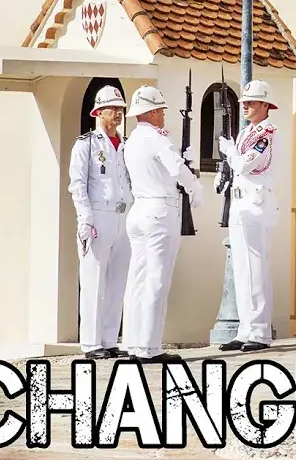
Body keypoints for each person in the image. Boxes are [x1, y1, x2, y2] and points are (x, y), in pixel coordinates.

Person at [121, 85, 203, 363]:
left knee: (137, 281)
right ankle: (150, 348)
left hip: (139, 209)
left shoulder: (131, 140)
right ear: (153, 112)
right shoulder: (156, 139)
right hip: (159, 210)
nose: (164, 116)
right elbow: (176, 169)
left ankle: (133, 344)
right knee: (157, 280)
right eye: (162, 110)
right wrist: (194, 186)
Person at [67, 85, 133, 360]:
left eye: (120, 109)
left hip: (124, 215)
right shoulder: (87, 144)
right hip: (98, 215)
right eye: (112, 109)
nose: (118, 114)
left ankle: (109, 338)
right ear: (98, 112)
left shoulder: (126, 145)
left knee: (118, 281)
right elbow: (77, 184)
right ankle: (92, 343)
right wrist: (84, 218)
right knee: (94, 280)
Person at [215, 80, 280, 352]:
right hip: (239, 205)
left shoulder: (267, 133)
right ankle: (245, 329)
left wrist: (228, 150)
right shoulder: (244, 134)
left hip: (256, 205)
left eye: (252, 102)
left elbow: (245, 163)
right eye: (244, 102)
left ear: (265, 105)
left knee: (255, 269)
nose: (246, 106)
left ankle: (260, 332)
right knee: (241, 269)